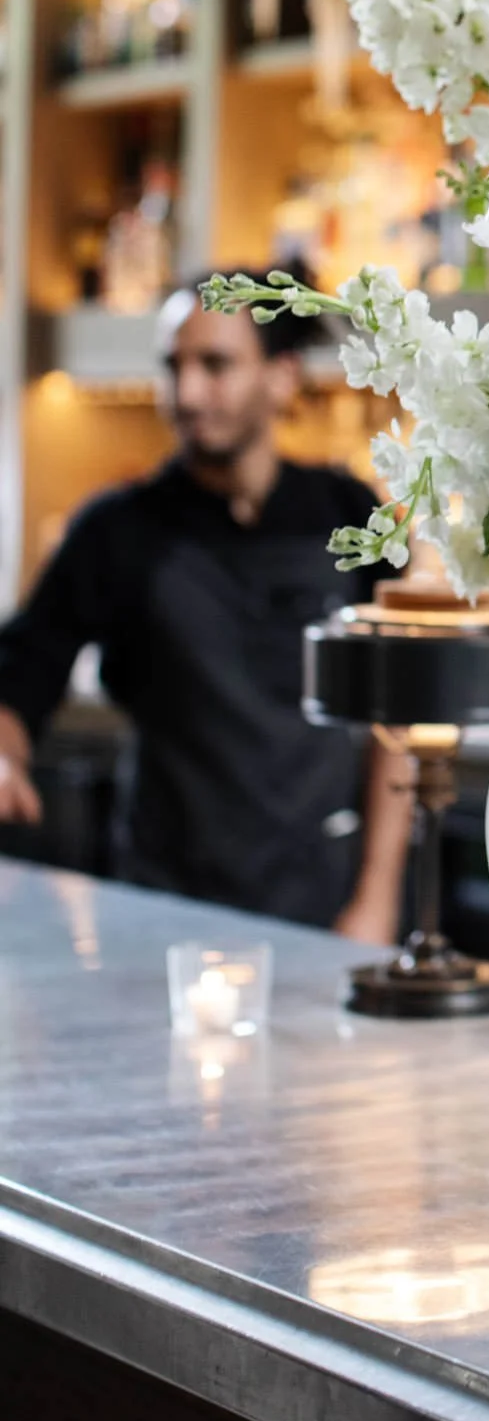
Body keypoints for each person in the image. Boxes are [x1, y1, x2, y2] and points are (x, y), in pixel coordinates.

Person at [0, 273, 410, 939]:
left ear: (280, 377)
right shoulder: (116, 530)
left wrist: (376, 899)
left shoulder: (348, 513)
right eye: (174, 367)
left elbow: (399, 711)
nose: (186, 393)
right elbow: (22, 672)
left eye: (215, 365)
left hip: (321, 903)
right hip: (163, 907)